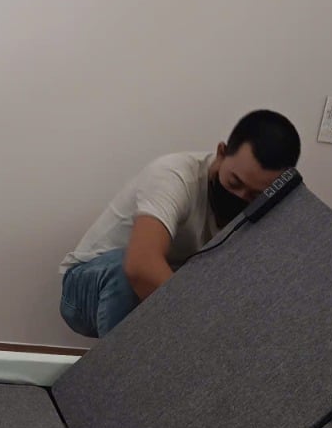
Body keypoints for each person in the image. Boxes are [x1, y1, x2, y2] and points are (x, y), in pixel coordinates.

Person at [59, 110, 301, 338]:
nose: (240, 196)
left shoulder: (269, 205)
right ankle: (122, 365)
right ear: (221, 152)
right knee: (127, 268)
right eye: (234, 182)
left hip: (166, 286)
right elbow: (140, 267)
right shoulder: (173, 175)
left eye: (255, 194)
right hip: (86, 287)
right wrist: (206, 328)